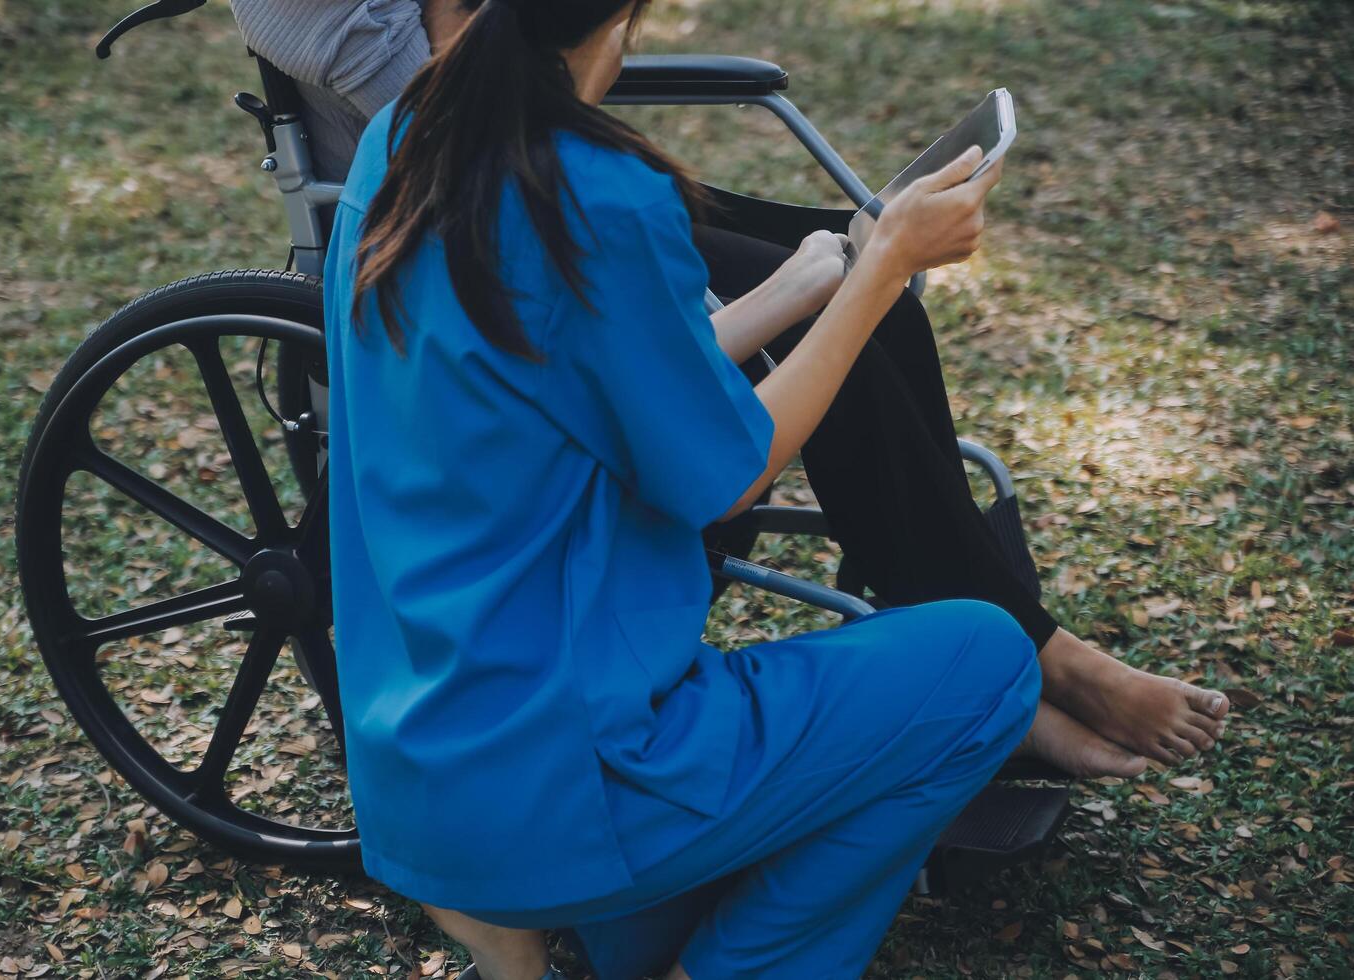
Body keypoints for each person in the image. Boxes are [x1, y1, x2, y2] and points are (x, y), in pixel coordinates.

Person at [317, 3, 1231, 978]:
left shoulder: (400, 137)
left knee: (654, 917)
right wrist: (881, 268)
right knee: (990, 663)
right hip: (573, 770)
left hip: (420, 780)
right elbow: (725, 470)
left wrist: (797, 289)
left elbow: (598, 381)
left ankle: (569, 912)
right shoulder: (602, 194)